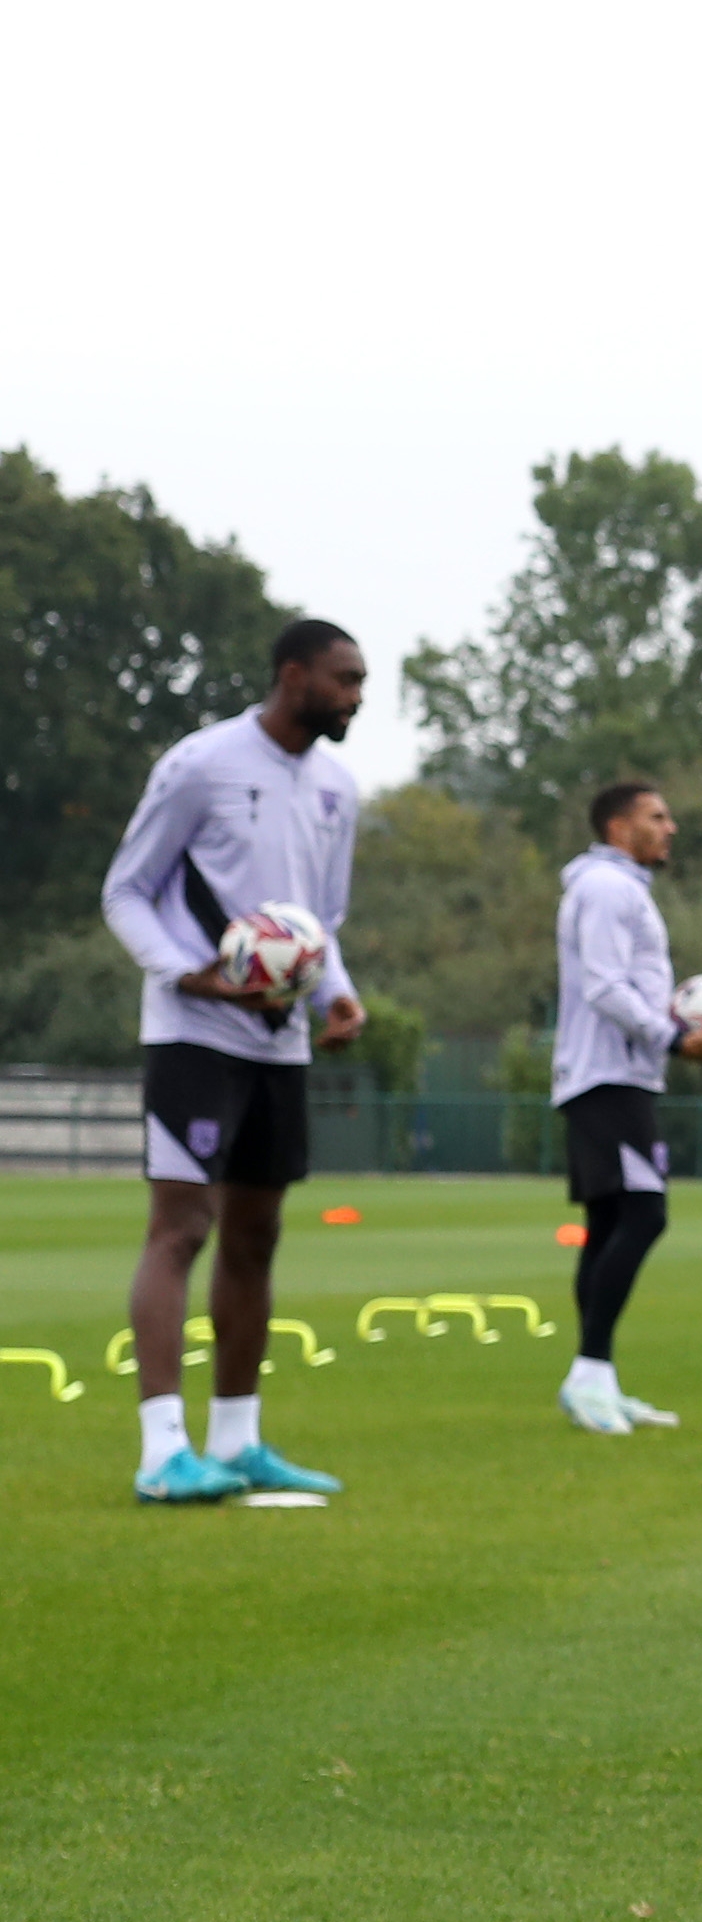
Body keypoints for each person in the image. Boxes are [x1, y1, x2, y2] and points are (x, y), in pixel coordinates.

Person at [103, 618, 370, 1503]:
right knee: (181, 1228)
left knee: (257, 1236)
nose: (356, 697)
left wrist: (336, 992)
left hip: (280, 1041)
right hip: (194, 1037)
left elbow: (321, 926)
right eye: (343, 679)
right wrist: (194, 977)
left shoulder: (339, 788)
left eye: (362, 681)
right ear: (292, 675)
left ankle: (239, 1438)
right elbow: (125, 891)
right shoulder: (200, 764)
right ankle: (160, 1451)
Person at [551, 778, 702, 1432]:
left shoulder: (621, 889)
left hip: (617, 1075)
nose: (671, 826)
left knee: (608, 1224)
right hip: (606, 1077)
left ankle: (596, 1377)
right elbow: (604, 985)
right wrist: (676, 1036)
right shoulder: (605, 888)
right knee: (645, 1214)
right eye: (658, 816)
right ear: (620, 829)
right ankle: (589, 1373)